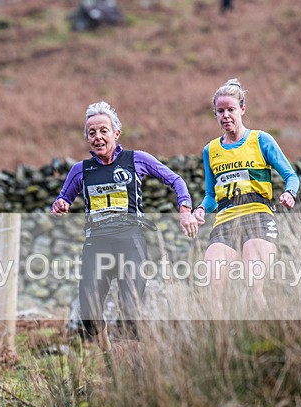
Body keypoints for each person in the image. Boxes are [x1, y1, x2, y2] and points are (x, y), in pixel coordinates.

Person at [52, 101, 199, 351]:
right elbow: (62, 198)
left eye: (103, 131)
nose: (98, 137)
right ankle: (109, 352)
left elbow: (176, 180)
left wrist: (185, 209)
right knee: (88, 313)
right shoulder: (80, 170)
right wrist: (61, 205)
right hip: (96, 244)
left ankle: (133, 361)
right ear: (87, 138)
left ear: (116, 133)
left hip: (130, 242)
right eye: (92, 133)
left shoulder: (137, 160)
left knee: (131, 308)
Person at [194, 78, 300, 305]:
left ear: (242, 109)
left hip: (258, 218)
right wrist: (201, 209)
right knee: (211, 288)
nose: (225, 115)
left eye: (231, 109)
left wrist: (289, 193)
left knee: (252, 286)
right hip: (225, 221)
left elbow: (291, 176)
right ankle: (219, 339)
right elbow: (212, 196)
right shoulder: (210, 150)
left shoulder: (261, 140)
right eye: (220, 111)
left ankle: (262, 337)